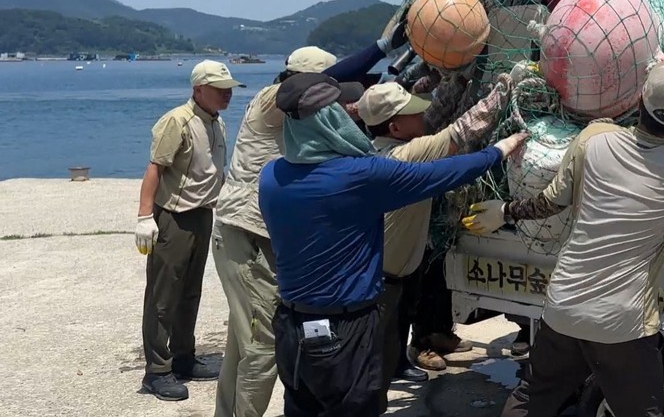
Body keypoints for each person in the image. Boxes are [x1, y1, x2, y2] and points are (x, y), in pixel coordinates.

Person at [461, 60, 664, 417]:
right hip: (623, 323)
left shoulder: (594, 139)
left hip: (563, 306)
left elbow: (549, 203)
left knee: (532, 397)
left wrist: (504, 211)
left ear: (639, 101)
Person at [259, 72, 527, 417]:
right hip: (346, 331)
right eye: (338, 111)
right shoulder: (359, 176)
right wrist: (499, 149)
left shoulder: (271, 176)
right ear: (328, 121)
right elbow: (443, 173)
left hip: (291, 328)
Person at [211, 42, 392, 417]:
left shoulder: (299, 112)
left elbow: (349, 94)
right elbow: (338, 76)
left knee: (242, 342)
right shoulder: (271, 99)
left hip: (256, 236)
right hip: (245, 235)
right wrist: (381, 47)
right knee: (262, 345)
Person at [355, 72, 513, 412]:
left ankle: (394, 374)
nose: (422, 114)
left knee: (387, 348)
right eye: (412, 112)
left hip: (390, 267)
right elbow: (462, 132)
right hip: (382, 279)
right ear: (395, 127)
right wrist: (503, 94)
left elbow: (439, 120)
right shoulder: (408, 155)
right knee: (373, 366)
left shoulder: (375, 151)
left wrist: (456, 80)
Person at [134, 59, 244, 401]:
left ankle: (183, 356)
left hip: (202, 214)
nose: (226, 95)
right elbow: (155, 168)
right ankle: (157, 370)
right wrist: (144, 216)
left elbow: (213, 170)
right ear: (198, 89)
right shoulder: (177, 121)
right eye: (219, 89)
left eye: (228, 89)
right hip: (174, 216)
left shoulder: (217, 122)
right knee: (163, 294)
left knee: (190, 290)